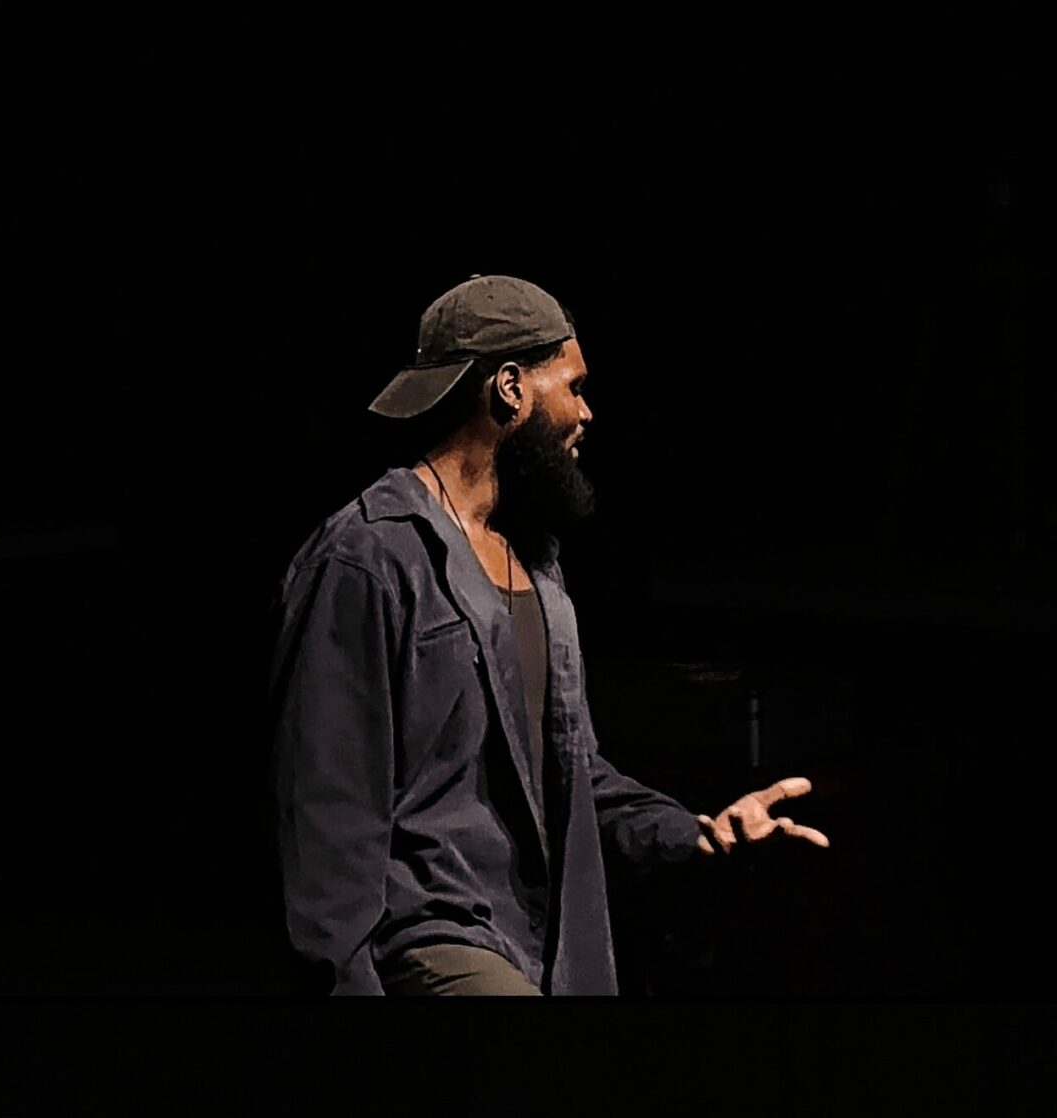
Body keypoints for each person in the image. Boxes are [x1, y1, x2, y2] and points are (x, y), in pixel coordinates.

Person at [269, 273, 827, 996]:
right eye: (574, 385)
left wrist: (695, 832)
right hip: (428, 937)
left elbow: (572, 777)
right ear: (510, 388)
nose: (587, 412)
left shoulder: (533, 562)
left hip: (546, 947)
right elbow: (328, 806)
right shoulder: (368, 556)